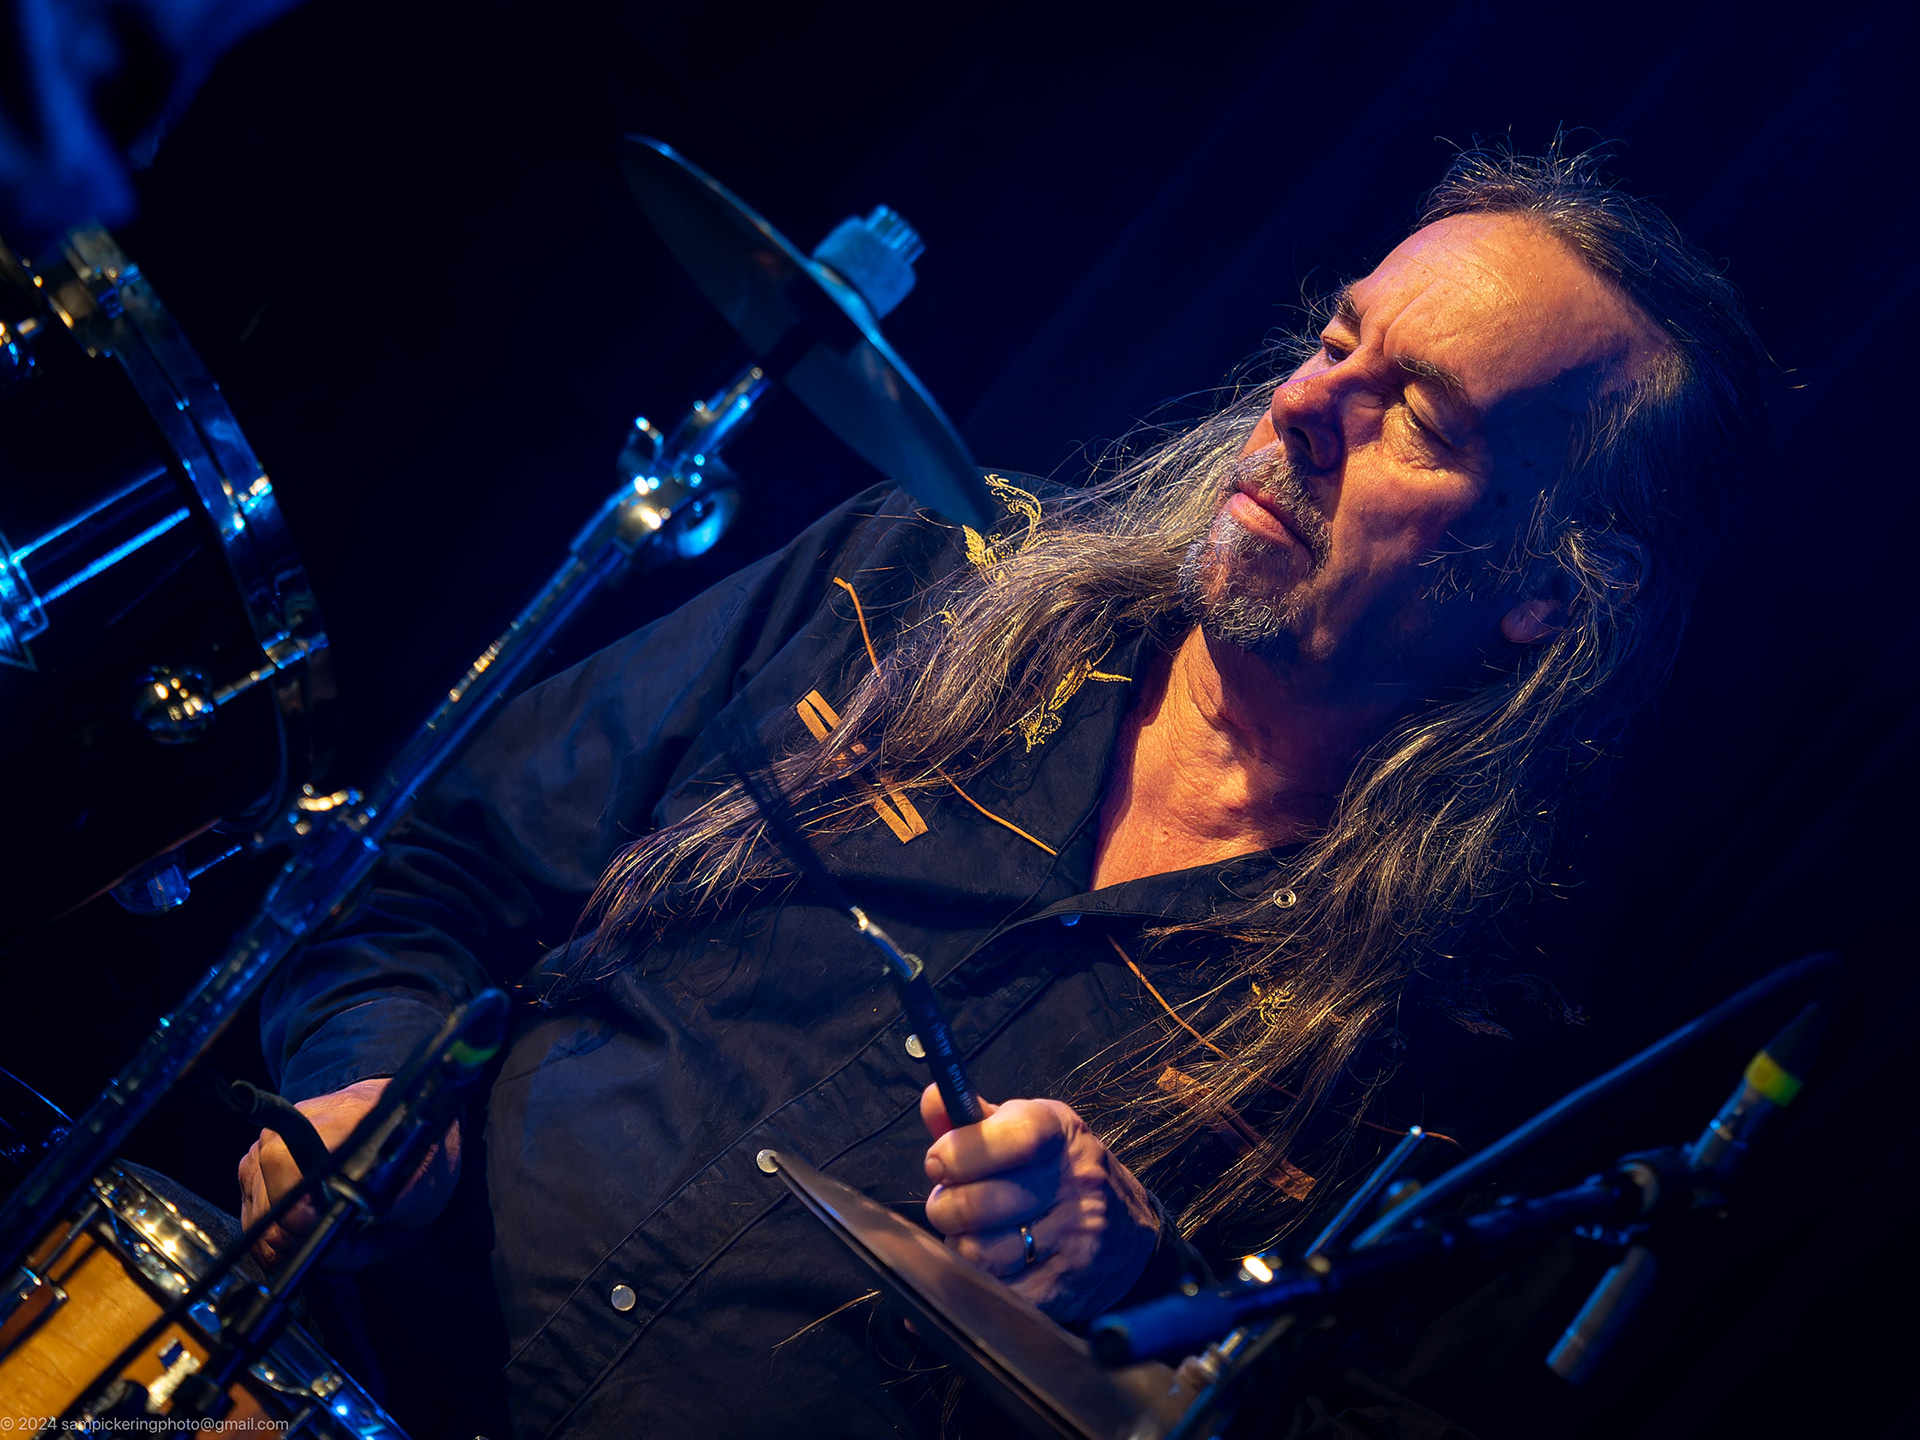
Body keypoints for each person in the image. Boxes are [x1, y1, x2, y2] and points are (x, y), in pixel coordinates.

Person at [240, 146, 1769, 1437]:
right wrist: (366, 1091)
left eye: (1418, 418)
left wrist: (1147, 1301)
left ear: (1550, 592)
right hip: (322, 1372)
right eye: (1335, 340)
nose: (1306, 409)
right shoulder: (923, 572)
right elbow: (430, 864)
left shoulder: (1452, 1039)